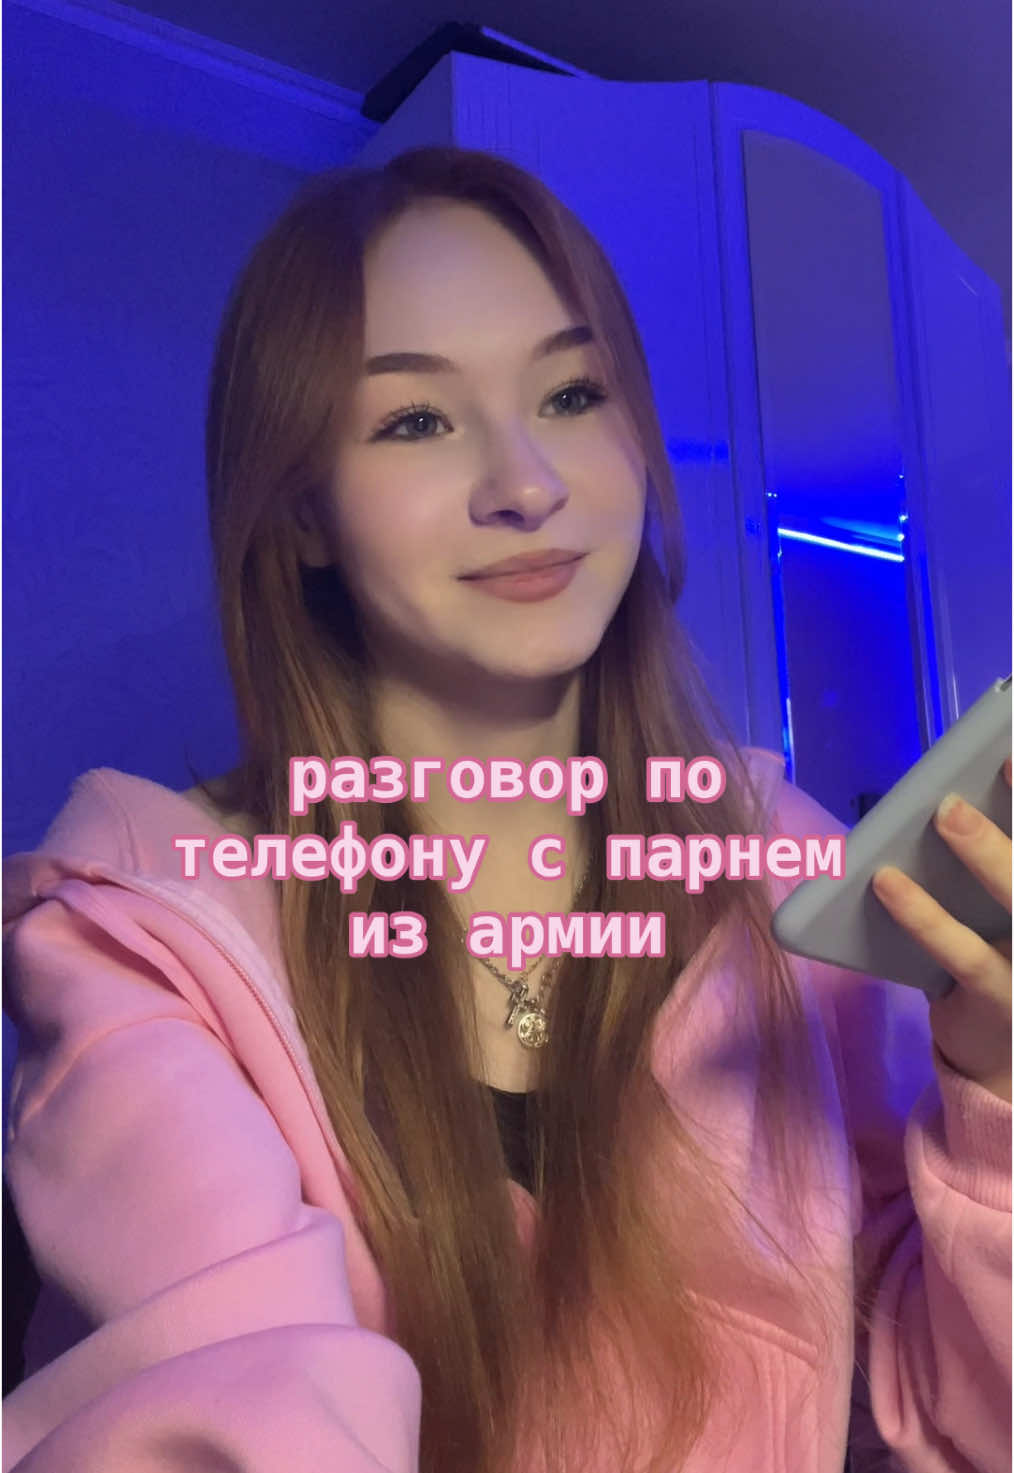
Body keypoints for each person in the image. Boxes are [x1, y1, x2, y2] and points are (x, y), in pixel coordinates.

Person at [2, 145, 1010, 1473]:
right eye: (416, 420)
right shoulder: (145, 939)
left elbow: (953, 1419)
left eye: (573, 393)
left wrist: (994, 1093)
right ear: (301, 514)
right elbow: (229, 1396)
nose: (527, 483)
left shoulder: (785, 868)